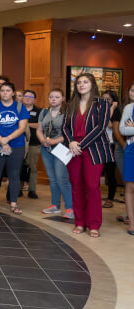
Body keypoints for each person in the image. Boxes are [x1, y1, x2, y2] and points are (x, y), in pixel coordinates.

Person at [64, 73, 112, 238]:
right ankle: (79, 222)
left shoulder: (102, 103)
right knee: (77, 187)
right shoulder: (71, 104)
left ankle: (94, 224)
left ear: (92, 84)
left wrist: (81, 145)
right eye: (78, 82)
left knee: (92, 187)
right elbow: (65, 127)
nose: (81, 85)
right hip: (73, 149)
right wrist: (71, 142)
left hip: (93, 149)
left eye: (85, 82)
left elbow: (100, 127)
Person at [0, 82, 29, 215]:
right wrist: (1, 141)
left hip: (16, 145)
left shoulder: (20, 107)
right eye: (2, 90)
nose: (5, 93)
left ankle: (14, 205)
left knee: (14, 175)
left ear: (13, 93)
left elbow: (22, 128)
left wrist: (7, 139)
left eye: (8, 90)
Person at [37, 88, 73, 219]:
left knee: (62, 178)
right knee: (52, 179)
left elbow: (70, 132)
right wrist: (42, 140)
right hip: (46, 148)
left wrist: (54, 140)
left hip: (62, 148)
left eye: (57, 97)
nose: (53, 99)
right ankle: (55, 206)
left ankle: (69, 208)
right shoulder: (44, 111)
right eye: (51, 97)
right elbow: (40, 129)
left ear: (63, 98)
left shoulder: (68, 112)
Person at [113, 83, 134, 224]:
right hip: (131, 150)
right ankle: (132, 223)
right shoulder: (128, 108)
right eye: (133, 90)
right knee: (130, 186)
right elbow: (123, 130)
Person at [101, 90, 120, 208]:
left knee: (110, 173)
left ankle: (110, 199)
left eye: (108, 99)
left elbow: (108, 125)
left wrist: (111, 109)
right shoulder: (98, 110)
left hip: (111, 144)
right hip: (98, 145)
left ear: (113, 100)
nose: (105, 101)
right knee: (96, 172)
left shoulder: (116, 111)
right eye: (103, 99)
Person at [21, 90, 41, 199]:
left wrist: (25, 124)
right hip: (18, 143)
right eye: (26, 96)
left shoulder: (39, 111)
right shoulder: (18, 109)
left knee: (32, 167)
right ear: (23, 98)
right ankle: (18, 189)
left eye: (31, 96)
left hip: (34, 143)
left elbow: (40, 125)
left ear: (35, 99)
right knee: (18, 166)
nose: (28, 98)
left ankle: (32, 190)